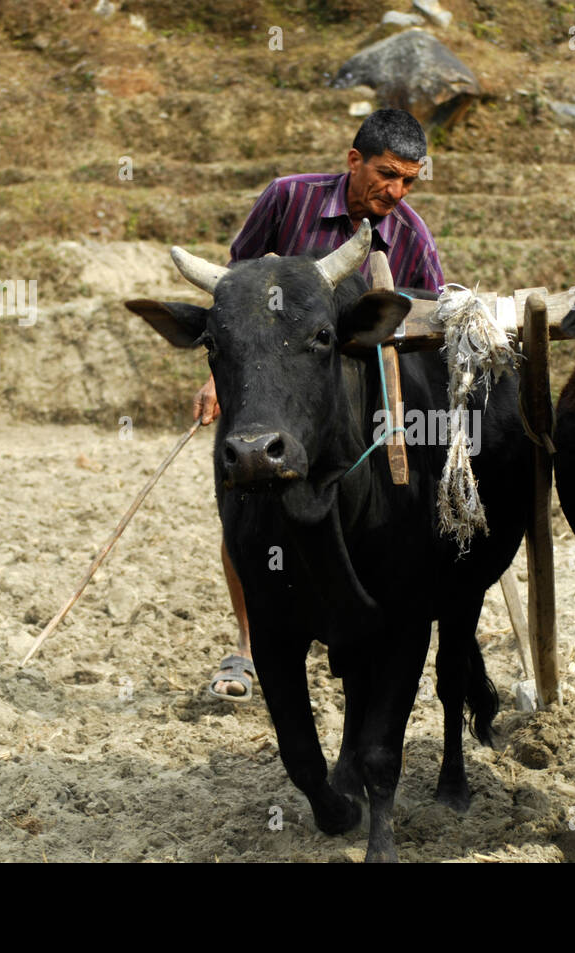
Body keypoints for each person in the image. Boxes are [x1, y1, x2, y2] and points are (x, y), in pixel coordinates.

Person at [197, 108, 444, 701]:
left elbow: (431, 328)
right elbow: (236, 287)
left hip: (359, 412)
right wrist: (215, 379)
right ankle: (251, 646)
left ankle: (357, 624)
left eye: (408, 181)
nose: (395, 191)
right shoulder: (288, 199)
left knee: (376, 518)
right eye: (386, 174)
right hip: (271, 394)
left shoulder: (409, 236)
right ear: (353, 160)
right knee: (244, 508)